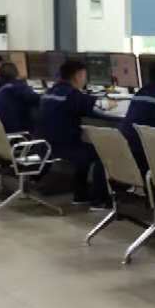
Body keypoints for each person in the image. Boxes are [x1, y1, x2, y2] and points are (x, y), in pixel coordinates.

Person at [35, 58, 106, 205]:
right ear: (78, 76)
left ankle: (81, 192)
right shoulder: (72, 95)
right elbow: (97, 107)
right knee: (102, 152)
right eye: (84, 76)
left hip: (44, 144)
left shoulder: (50, 92)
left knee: (85, 147)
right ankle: (97, 198)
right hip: (62, 147)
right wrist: (109, 103)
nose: (85, 80)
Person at [0, 61, 39, 134]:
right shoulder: (20, 88)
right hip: (21, 133)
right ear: (17, 74)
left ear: (0, 77)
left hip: (3, 133)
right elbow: (37, 99)